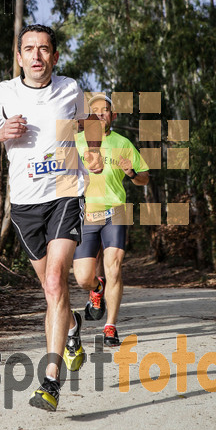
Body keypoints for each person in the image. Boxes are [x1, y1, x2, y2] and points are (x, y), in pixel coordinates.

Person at [0, 24, 102, 411]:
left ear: (54, 57)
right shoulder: (4, 94)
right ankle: (72, 325)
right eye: (29, 49)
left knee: (57, 279)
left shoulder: (71, 89)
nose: (37, 56)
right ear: (19, 56)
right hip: (24, 206)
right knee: (50, 290)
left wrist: (92, 150)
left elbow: (89, 121)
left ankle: (51, 382)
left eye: (44, 49)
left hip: (65, 195)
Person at [73, 93, 149, 346]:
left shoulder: (123, 142)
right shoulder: (77, 142)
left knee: (114, 267)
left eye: (105, 110)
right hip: (86, 212)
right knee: (83, 277)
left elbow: (144, 178)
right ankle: (96, 289)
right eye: (95, 110)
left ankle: (110, 326)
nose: (101, 114)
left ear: (113, 116)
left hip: (117, 209)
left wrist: (132, 172)